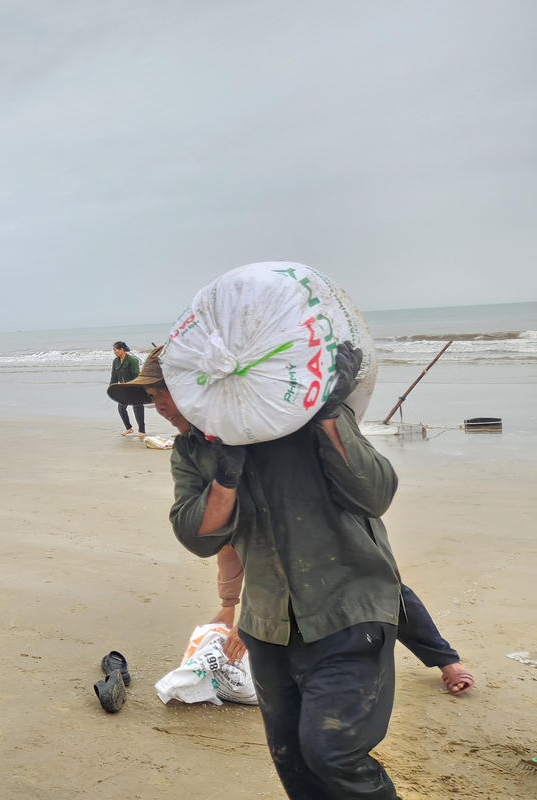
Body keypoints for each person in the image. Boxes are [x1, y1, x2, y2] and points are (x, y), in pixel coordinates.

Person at [117, 342, 405, 798]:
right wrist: (226, 478)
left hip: (350, 611)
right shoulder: (192, 451)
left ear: (197, 387)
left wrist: (329, 414)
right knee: (291, 758)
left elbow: (375, 494)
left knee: (332, 751)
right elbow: (198, 537)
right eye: (152, 398)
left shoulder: (300, 421)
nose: (159, 406)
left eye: (162, 393)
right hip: (267, 624)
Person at [214, 556, 474, 696]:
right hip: (286, 567)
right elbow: (230, 549)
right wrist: (229, 604)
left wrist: (248, 616)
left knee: (385, 588)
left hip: (333, 529)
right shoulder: (230, 490)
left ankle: (446, 659)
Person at [107, 341, 146, 436]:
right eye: (114, 350)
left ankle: (142, 431)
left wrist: (134, 388)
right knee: (121, 408)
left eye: (116, 350)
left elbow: (136, 376)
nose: (114, 352)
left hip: (135, 388)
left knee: (137, 408)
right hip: (123, 389)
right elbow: (114, 376)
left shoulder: (132, 360)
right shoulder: (115, 361)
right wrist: (111, 388)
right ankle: (129, 428)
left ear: (122, 350)